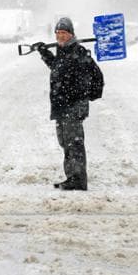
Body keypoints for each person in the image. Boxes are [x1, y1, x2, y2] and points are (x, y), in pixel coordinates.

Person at [34, 17, 96, 191]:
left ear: (71, 34)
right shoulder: (64, 52)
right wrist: (44, 53)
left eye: (64, 33)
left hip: (72, 106)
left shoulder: (78, 52)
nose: (60, 36)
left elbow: (86, 79)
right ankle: (72, 177)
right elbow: (57, 68)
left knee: (74, 143)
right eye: (58, 33)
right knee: (66, 142)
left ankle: (78, 179)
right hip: (62, 106)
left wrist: (78, 99)